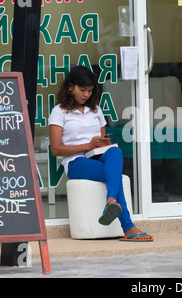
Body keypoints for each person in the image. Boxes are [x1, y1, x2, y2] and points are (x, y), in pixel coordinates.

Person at [49, 65, 153, 242]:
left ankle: (111, 201)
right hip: (75, 162)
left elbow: (102, 139)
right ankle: (128, 228)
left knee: (114, 150)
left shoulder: (95, 110)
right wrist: (87, 145)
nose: (86, 95)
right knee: (115, 177)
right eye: (82, 90)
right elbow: (56, 149)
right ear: (69, 87)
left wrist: (100, 143)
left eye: (89, 91)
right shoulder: (59, 111)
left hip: (95, 155)